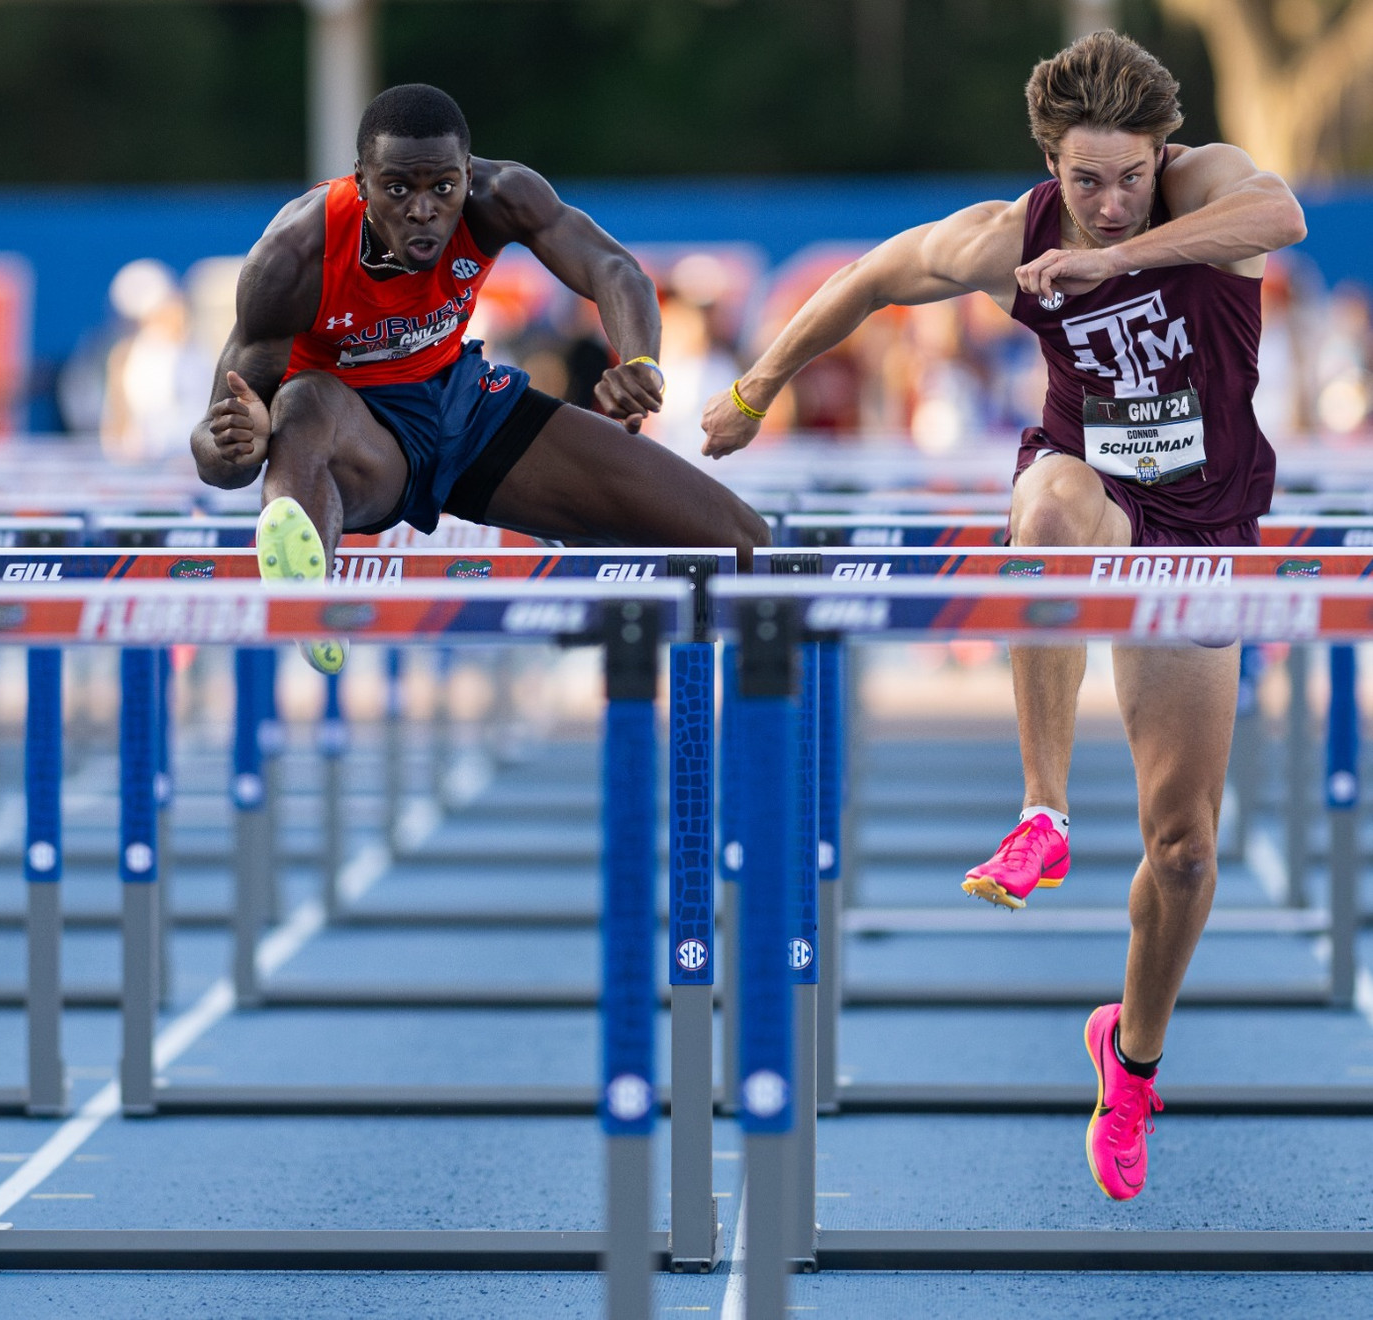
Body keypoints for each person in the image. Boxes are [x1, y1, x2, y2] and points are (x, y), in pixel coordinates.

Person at [700, 31, 1306, 1202]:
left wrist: (1112, 267)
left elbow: (1279, 213)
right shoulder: (1007, 237)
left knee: (1184, 855)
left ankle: (1129, 1064)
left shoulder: (1208, 188)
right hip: (1096, 498)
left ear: (1162, 155)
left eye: (1131, 174)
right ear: (1049, 164)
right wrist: (754, 388)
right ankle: (1040, 810)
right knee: (1049, 497)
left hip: (1205, 529)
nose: (1113, 201)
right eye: (1088, 181)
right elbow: (870, 278)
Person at [190, 83, 766, 673]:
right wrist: (240, 443)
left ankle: (753, 733)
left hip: (465, 407)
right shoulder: (292, 255)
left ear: (467, 174)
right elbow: (215, 455)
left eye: (443, 187)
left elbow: (615, 269)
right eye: (397, 189)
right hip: (360, 441)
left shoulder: (502, 195)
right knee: (302, 402)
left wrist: (639, 359)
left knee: (744, 543)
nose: (422, 209)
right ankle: (309, 602)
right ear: (361, 182)